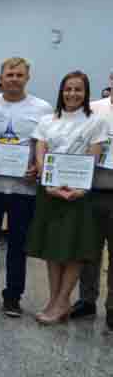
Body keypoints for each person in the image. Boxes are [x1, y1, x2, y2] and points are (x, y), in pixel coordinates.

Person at [0, 57, 53, 316]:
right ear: (1, 77)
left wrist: (38, 168)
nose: (14, 79)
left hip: (24, 190)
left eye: (19, 75)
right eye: (10, 74)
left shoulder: (42, 108)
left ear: (27, 78)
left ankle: (13, 297)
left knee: (18, 245)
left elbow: (46, 146)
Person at [25, 71, 106, 325]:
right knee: (53, 249)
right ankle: (53, 299)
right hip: (50, 193)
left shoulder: (96, 122)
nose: (72, 94)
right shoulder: (47, 121)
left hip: (79, 196)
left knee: (74, 250)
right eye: (68, 89)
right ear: (61, 91)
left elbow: (93, 159)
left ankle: (63, 301)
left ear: (86, 93)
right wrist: (48, 184)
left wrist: (81, 189)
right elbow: (41, 155)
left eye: (78, 89)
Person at [74, 73, 113, 327]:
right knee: (88, 250)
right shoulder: (93, 109)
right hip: (92, 190)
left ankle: (112, 308)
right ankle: (87, 301)